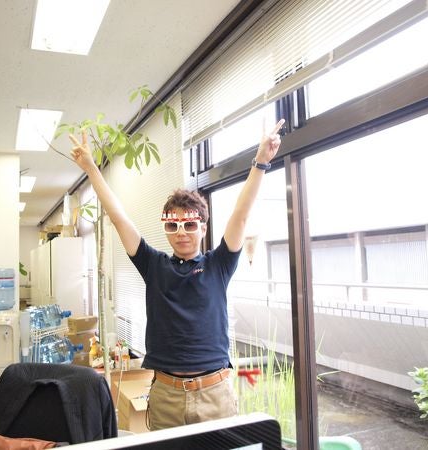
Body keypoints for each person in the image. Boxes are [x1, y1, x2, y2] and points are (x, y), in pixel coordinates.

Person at [68, 118, 284, 430]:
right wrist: (91, 168)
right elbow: (118, 218)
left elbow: (240, 215)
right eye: (173, 225)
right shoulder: (154, 265)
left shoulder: (219, 264)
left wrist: (260, 162)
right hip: (166, 396)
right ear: (167, 230)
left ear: (203, 228)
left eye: (190, 224)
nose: (181, 232)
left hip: (215, 395)